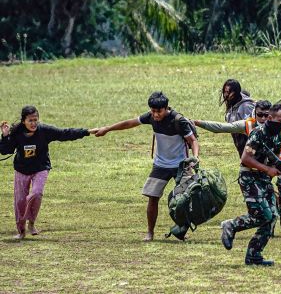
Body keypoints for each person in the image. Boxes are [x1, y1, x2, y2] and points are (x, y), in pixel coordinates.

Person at [195, 100, 281, 235]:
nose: (262, 118)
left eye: (265, 115)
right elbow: (222, 127)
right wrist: (197, 123)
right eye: (259, 115)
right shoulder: (250, 126)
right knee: (264, 202)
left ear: (270, 115)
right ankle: (263, 224)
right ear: (255, 114)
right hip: (262, 166)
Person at [92, 91, 199, 241]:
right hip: (160, 164)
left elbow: (193, 141)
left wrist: (194, 158)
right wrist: (107, 129)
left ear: (166, 108)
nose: (155, 115)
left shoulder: (178, 121)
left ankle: (182, 231)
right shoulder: (150, 117)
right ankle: (150, 232)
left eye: (158, 111)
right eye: (153, 111)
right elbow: (129, 123)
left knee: (185, 199)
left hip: (181, 164)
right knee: (152, 197)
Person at [0, 106, 93, 239]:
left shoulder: (44, 131)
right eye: (30, 120)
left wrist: (86, 131)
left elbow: (65, 133)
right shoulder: (17, 133)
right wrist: (5, 135)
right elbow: (6, 151)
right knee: (20, 201)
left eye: (35, 120)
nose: (33, 123)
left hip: (40, 168)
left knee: (36, 194)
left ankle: (31, 222)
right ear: (23, 121)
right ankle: (21, 231)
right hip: (22, 170)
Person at [220, 104, 281, 266]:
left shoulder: (279, 137)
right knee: (260, 215)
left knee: (272, 217)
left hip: (263, 179)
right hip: (249, 177)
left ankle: (254, 255)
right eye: (279, 120)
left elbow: (275, 162)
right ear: (270, 118)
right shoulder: (258, 133)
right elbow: (245, 158)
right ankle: (231, 225)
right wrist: (267, 169)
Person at [221, 79, 255, 156]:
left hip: (248, 142)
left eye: (228, 92)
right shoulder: (233, 103)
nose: (226, 94)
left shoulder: (246, 106)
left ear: (235, 92)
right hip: (239, 140)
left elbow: (252, 131)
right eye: (225, 91)